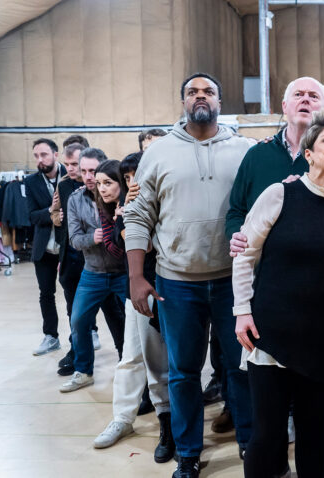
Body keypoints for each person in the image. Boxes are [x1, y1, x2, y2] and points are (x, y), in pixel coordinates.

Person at [124, 72, 253, 478]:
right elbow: (138, 215)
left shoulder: (245, 149)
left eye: (208, 91)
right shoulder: (159, 152)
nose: (201, 96)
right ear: (183, 102)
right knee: (183, 372)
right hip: (177, 282)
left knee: (241, 369)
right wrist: (136, 276)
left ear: (219, 99)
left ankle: (252, 444)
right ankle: (189, 453)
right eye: (192, 92)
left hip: (234, 282)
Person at [232, 105, 324, 478]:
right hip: (270, 336)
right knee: (269, 437)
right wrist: (242, 310)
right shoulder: (278, 194)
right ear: (308, 154)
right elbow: (244, 254)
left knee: (319, 435)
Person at [91, 154, 174, 462]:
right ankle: (122, 419)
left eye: (133, 177)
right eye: (125, 178)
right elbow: (120, 244)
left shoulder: (160, 201)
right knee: (130, 358)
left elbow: (147, 245)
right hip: (135, 290)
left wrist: (128, 219)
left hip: (160, 288)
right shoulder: (125, 209)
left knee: (157, 363)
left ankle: (167, 424)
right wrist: (125, 218)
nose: (131, 183)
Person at [226, 77, 324, 247]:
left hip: (320, 258)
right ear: (284, 106)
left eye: (314, 96)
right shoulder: (257, 155)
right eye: (298, 94)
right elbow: (236, 211)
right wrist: (236, 235)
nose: (305, 99)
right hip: (263, 263)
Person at [60, 148, 128, 393]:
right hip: (93, 273)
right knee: (78, 320)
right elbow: (74, 239)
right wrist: (94, 238)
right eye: (84, 170)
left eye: (93, 171)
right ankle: (83, 371)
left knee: (129, 324)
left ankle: (127, 367)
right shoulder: (75, 199)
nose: (88, 176)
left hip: (122, 271)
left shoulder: (120, 196)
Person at [25, 138, 67, 356]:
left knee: (75, 292)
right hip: (43, 249)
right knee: (46, 293)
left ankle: (88, 332)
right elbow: (31, 216)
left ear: (55, 154)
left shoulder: (69, 176)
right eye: (36, 156)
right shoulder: (30, 182)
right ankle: (51, 336)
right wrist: (51, 212)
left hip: (68, 246)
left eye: (44, 154)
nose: (40, 160)